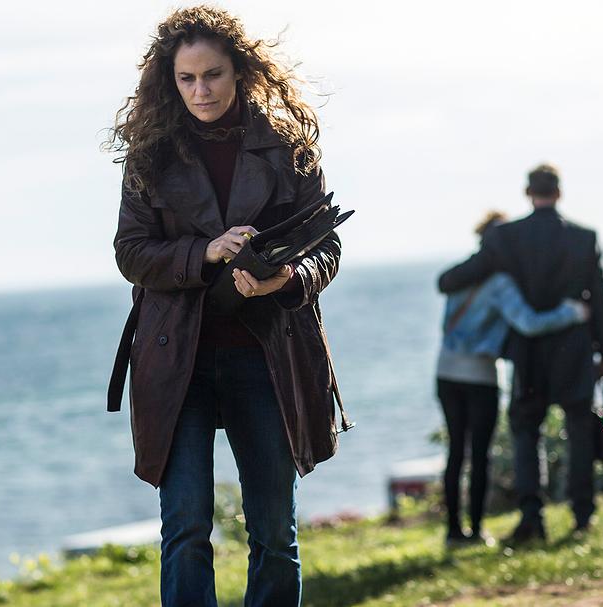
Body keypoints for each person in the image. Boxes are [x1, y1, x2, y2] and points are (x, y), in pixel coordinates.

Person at [106, 7, 346, 606]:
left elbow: (328, 246)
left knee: (274, 531)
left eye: (212, 75)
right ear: (169, 81)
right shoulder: (149, 154)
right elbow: (131, 252)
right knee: (186, 528)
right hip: (176, 360)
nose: (201, 91)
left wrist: (286, 279)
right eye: (186, 79)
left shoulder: (287, 147)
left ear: (239, 71)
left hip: (267, 354)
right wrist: (205, 251)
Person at [439, 164, 603, 543]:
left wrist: (454, 282)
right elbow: (599, 297)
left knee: (526, 433)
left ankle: (532, 518)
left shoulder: (506, 238)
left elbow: (452, 279)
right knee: (579, 431)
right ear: (559, 192)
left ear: (527, 192)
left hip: (529, 353)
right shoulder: (584, 238)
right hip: (574, 349)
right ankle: (582, 516)